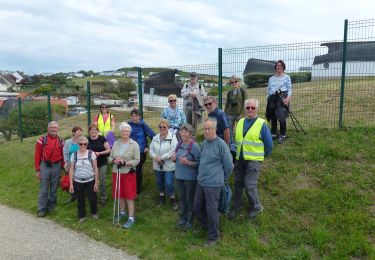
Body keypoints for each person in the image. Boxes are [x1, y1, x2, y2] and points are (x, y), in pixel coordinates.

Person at [193, 118, 234, 247]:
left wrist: (221, 178)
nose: (206, 131)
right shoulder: (204, 143)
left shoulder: (221, 144)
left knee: (212, 211)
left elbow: (229, 166)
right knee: (197, 207)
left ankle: (214, 237)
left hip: (214, 185)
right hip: (201, 182)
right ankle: (206, 226)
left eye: (209, 129)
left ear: (215, 129)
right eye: (205, 129)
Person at [231, 99, 273, 220]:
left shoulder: (261, 124)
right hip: (240, 159)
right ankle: (236, 206)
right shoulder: (240, 122)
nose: (250, 110)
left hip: (254, 161)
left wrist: (260, 157)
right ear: (245, 109)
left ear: (257, 109)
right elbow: (237, 140)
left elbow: (269, 145)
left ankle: (256, 207)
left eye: (253, 108)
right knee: (238, 183)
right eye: (248, 107)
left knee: (249, 185)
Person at [108, 122, 140, 229]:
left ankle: (131, 217)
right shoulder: (116, 143)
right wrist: (114, 160)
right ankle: (122, 212)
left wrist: (125, 163)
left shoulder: (134, 144)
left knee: (129, 195)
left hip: (128, 173)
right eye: (123, 131)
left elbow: (137, 160)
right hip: (116, 172)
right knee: (119, 194)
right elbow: (110, 157)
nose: (125, 132)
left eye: (127, 131)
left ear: (129, 132)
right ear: (120, 132)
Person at [171, 124, 201, 231]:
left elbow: (199, 163)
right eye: (181, 131)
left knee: (189, 200)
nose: (182, 133)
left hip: (190, 179)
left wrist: (188, 163)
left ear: (190, 133)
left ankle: (189, 220)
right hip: (178, 177)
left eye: (185, 132)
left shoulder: (195, 146)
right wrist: (173, 158)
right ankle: (182, 218)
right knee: (182, 199)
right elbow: (176, 159)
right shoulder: (179, 144)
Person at [34, 121, 64, 217]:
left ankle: (51, 208)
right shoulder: (42, 140)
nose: (53, 129)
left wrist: (62, 169)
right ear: (48, 129)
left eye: (55, 127)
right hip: (44, 166)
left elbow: (63, 155)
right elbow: (37, 155)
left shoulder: (61, 141)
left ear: (58, 129)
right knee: (44, 189)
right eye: (51, 127)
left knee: (54, 189)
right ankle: (41, 209)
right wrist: (38, 170)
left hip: (57, 166)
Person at [149, 119, 178, 210]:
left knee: (169, 183)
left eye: (164, 127)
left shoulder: (173, 138)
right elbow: (151, 150)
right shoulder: (155, 138)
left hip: (168, 165)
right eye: (160, 127)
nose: (162, 129)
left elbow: (173, 150)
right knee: (159, 182)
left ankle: (172, 199)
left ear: (168, 127)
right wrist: (156, 158)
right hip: (157, 165)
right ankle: (161, 197)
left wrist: (162, 158)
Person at [69, 136, 99, 223]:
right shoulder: (73, 155)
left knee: (92, 198)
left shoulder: (91, 154)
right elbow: (71, 169)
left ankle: (94, 213)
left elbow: (96, 168)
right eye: (81, 144)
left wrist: (96, 183)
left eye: (85, 144)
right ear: (78, 144)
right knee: (80, 199)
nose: (83, 146)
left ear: (87, 144)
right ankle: (81, 216)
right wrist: (71, 184)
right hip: (78, 181)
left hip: (90, 180)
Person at [128, 109, 156, 195]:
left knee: (138, 171)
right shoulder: (128, 125)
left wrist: (148, 147)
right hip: (129, 152)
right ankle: (130, 187)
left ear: (140, 117)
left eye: (136, 116)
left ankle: (137, 190)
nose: (134, 118)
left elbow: (153, 136)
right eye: (132, 116)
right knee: (129, 170)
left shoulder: (143, 125)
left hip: (140, 152)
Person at [266, 60, 292, 144]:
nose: (279, 67)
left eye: (281, 66)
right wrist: (268, 98)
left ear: (283, 67)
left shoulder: (287, 77)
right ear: (275, 67)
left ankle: (282, 134)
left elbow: (289, 89)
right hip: (273, 98)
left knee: (281, 116)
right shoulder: (271, 78)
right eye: (277, 66)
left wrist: (287, 98)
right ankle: (273, 133)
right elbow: (269, 89)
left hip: (282, 97)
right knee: (273, 116)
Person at [87, 124, 111, 207]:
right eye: (91, 130)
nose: (93, 131)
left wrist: (100, 153)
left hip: (102, 163)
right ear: (89, 131)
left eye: (95, 129)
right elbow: (83, 151)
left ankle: (103, 198)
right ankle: (93, 198)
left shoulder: (102, 138)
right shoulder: (87, 140)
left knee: (102, 181)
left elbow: (109, 150)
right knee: (92, 181)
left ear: (97, 130)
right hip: (90, 164)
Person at [63, 126, 83, 203]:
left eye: (80, 132)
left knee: (79, 180)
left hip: (80, 164)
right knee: (71, 180)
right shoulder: (68, 142)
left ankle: (80, 196)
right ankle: (72, 197)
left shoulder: (83, 141)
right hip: (70, 164)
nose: (79, 133)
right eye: (78, 132)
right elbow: (65, 153)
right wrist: (66, 163)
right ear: (73, 133)